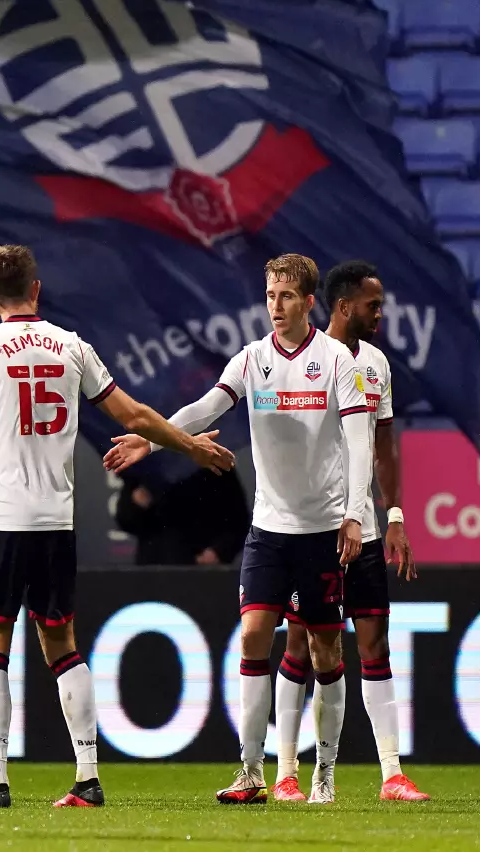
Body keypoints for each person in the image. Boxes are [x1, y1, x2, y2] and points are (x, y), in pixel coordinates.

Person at [0, 244, 235, 810]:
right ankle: (86, 777)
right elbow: (133, 416)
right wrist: (191, 446)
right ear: (36, 289)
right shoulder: (70, 346)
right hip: (56, 520)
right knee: (63, 647)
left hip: (3, 518)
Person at [105, 253, 372, 806]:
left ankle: (323, 770)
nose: (276, 306)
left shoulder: (336, 362)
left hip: (322, 528)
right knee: (253, 635)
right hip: (269, 528)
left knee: (326, 653)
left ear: (308, 301)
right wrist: (149, 440)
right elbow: (205, 408)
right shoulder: (252, 360)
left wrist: (354, 513)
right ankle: (252, 770)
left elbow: (359, 440)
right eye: (270, 296)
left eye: (287, 297)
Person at [271, 261, 428, 804]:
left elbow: (384, 445)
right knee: (302, 642)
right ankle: (288, 771)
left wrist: (397, 517)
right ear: (342, 306)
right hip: (311, 527)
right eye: (372, 305)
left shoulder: (377, 365)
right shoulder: (301, 360)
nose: (379, 314)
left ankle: (391, 774)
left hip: (362, 524)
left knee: (374, 641)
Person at [114, 469, 249, 566]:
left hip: (200, 569)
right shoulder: (146, 468)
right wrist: (137, 502)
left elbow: (239, 522)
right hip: (153, 568)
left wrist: (219, 553)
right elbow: (125, 520)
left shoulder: (215, 465)